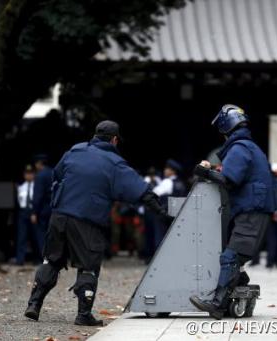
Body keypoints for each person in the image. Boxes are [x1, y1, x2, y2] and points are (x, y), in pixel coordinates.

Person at [24, 120, 171, 326]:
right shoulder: (114, 163)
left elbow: (57, 175)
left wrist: (59, 201)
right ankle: (83, 314)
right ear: (114, 140)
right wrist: (163, 212)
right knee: (88, 267)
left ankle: (34, 304)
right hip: (87, 221)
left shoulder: (74, 151)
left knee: (52, 260)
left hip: (59, 216)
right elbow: (140, 191)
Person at [189, 104, 276, 319]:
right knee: (236, 255)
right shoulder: (249, 146)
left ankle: (217, 305)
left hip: (251, 209)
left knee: (231, 256)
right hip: (254, 208)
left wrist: (204, 172)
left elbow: (230, 180)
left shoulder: (239, 147)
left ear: (225, 126)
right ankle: (237, 285)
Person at [152, 159, 187, 248]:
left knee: (160, 237)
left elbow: (154, 193)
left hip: (163, 214)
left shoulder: (167, 182)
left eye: (167, 169)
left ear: (172, 171)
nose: (165, 171)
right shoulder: (181, 183)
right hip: (177, 216)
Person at [30, 154, 53, 255]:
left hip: (42, 209)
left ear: (39, 163)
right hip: (54, 208)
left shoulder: (40, 176)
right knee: (52, 233)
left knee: (41, 234)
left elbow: (38, 196)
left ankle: (44, 256)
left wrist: (34, 212)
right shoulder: (54, 173)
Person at [15, 165, 36, 265]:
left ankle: (37, 258)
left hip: (33, 212)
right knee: (22, 236)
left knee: (35, 236)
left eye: (31, 173)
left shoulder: (36, 187)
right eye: (27, 173)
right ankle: (20, 259)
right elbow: (18, 201)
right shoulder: (21, 187)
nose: (29, 175)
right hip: (23, 212)